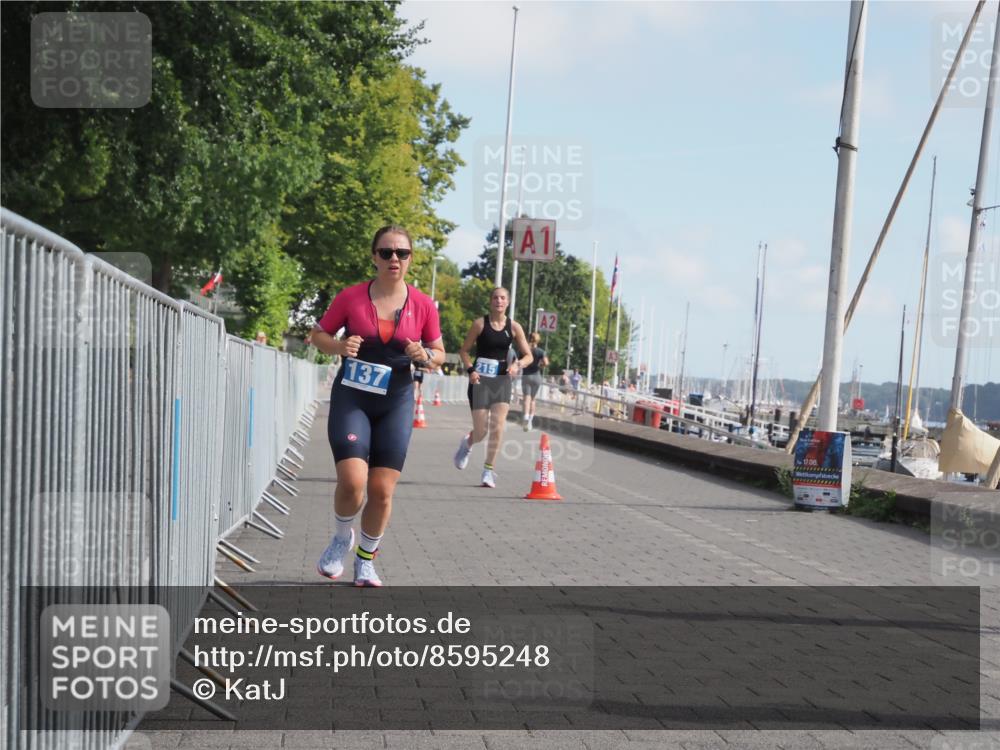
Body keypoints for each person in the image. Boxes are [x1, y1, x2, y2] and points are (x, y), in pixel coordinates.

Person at [310, 225, 444, 586]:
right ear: (374, 257)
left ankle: (366, 560)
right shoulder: (350, 297)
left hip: (396, 402)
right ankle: (342, 538)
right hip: (353, 397)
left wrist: (424, 354)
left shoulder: (423, 304)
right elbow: (318, 335)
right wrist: (339, 346)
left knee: (382, 491)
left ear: (411, 259)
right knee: (353, 482)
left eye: (402, 253)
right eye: (386, 252)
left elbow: (438, 353)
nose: (394, 259)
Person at [453, 287, 533, 487]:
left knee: (497, 427)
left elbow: (528, 356)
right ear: (491, 301)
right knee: (481, 432)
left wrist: (517, 365)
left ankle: (488, 471)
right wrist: (471, 370)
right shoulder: (480, 324)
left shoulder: (514, 327)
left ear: (508, 302)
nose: (499, 301)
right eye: (495, 297)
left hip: (501, 381)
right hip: (480, 382)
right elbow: (464, 351)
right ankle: (468, 442)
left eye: (503, 298)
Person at [520, 332, 548, 431]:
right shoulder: (541, 351)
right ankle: (530, 421)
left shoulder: (524, 350)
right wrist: (539, 366)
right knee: (532, 399)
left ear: (528, 339)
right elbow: (546, 363)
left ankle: (526, 416)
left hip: (526, 376)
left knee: (526, 398)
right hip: (536, 376)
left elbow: (520, 362)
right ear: (538, 341)